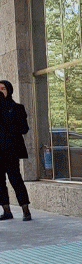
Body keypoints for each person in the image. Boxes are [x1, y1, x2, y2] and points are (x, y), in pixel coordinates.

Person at [0, 80, 31, 221]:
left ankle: (25, 209)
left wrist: (10, 128)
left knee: (15, 179)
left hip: (11, 150)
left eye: (3, 88)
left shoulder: (17, 108)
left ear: (9, 90)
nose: (0, 91)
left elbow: (24, 129)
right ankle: (6, 210)